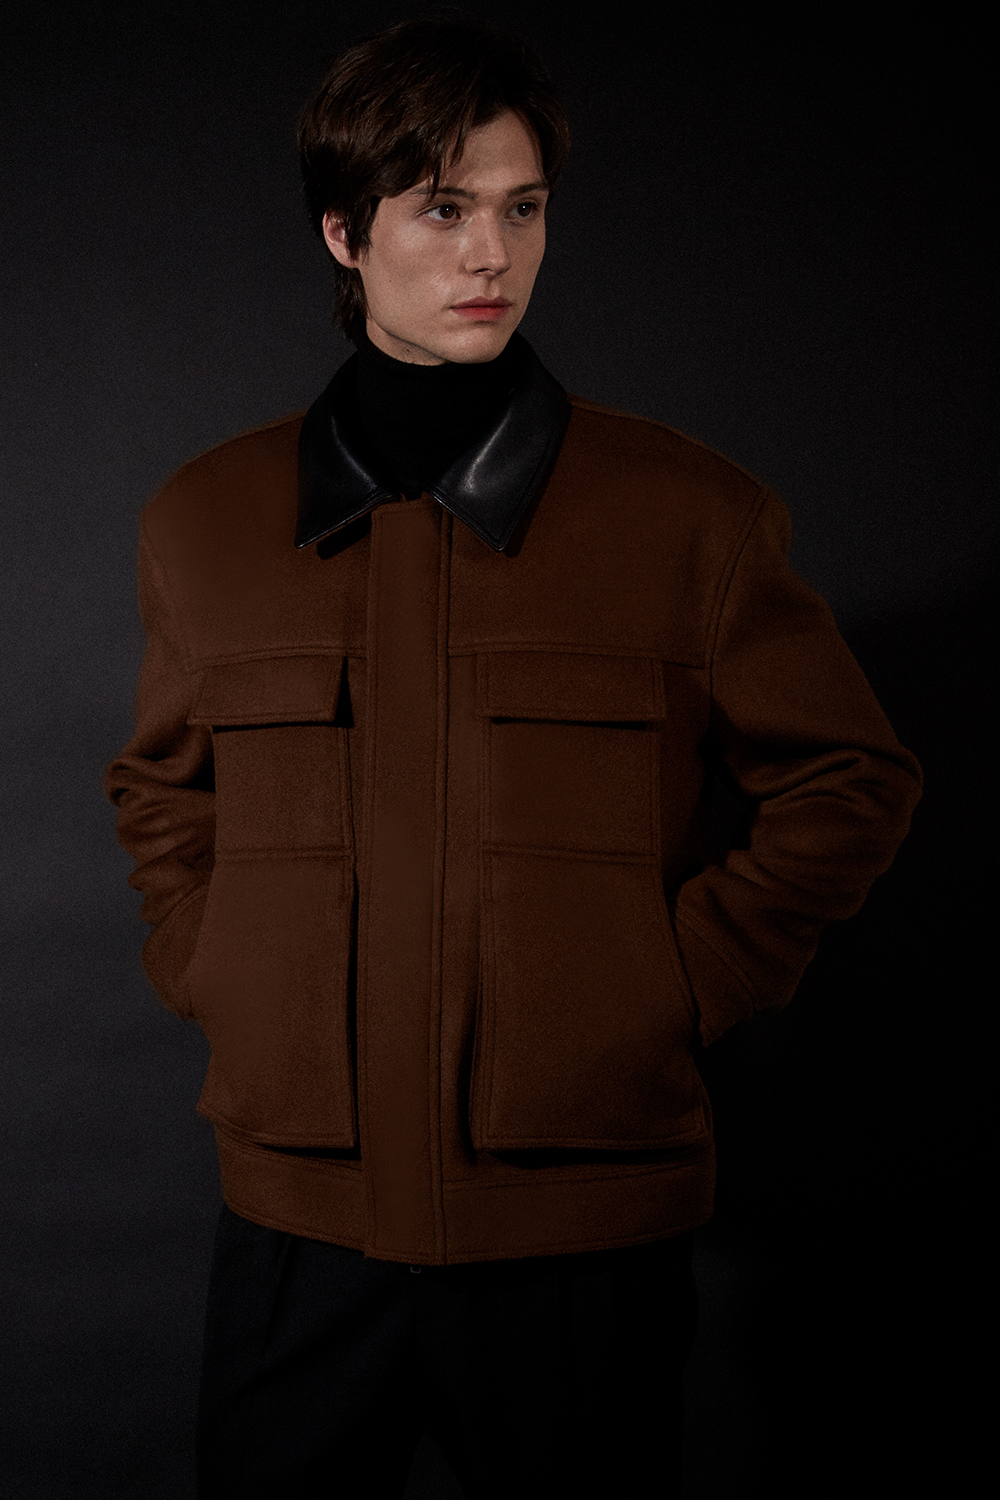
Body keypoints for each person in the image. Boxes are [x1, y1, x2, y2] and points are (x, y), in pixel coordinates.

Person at [104, 16, 922, 1499]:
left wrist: (675, 983)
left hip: (581, 1239)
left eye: (522, 206)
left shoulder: (691, 516)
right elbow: (162, 787)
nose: (492, 252)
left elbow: (849, 781)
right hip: (298, 1227)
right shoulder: (205, 521)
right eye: (443, 208)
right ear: (344, 234)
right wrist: (216, 968)